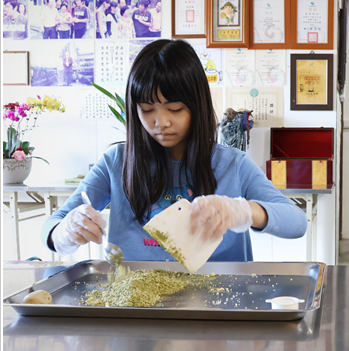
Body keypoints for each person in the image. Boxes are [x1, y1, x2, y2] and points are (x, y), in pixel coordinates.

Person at [42, 39, 307, 262]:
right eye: (147, 110)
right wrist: (64, 232)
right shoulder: (117, 163)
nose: (161, 122)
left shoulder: (231, 165)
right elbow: (52, 226)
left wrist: (244, 211)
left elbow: (296, 222)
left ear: (197, 105)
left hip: (218, 306)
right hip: (138, 305)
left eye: (175, 109)